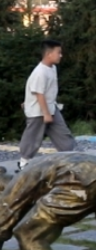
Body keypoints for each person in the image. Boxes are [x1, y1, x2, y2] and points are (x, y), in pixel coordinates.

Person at [17, 40, 75, 171]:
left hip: (51, 107)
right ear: (49, 54)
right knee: (33, 137)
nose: (61, 55)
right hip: (38, 111)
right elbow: (39, 93)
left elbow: (43, 89)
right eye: (58, 53)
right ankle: (24, 163)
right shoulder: (40, 72)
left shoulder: (52, 68)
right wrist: (46, 114)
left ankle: (70, 158)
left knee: (63, 133)